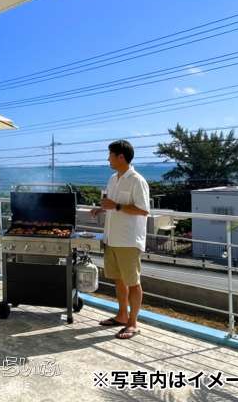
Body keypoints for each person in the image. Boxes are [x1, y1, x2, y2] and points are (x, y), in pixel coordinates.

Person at [91, 140, 150, 339]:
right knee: (119, 280)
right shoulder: (113, 179)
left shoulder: (137, 180)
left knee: (133, 282)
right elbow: (112, 204)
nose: (108, 158)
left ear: (121, 157)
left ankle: (133, 323)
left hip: (129, 240)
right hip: (112, 238)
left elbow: (143, 210)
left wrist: (115, 206)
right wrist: (102, 208)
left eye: (110, 155)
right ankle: (122, 316)